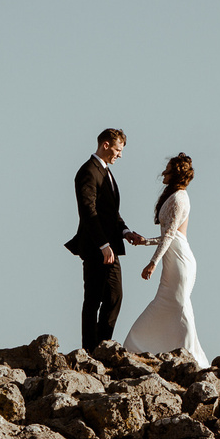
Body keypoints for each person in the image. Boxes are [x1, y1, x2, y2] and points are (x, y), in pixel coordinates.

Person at [64, 128, 148, 351]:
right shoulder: (88, 172)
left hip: (108, 246)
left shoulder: (106, 172)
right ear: (106, 145)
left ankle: (102, 346)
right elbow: (88, 211)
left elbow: (110, 213)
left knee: (114, 296)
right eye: (118, 150)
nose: (120, 155)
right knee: (93, 298)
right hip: (95, 247)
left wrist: (126, 232)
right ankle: (91, 350)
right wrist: (103, 245)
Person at [124, 152, 203, 368]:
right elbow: (168, 236)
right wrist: (144, 242)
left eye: (167, 169)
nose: (163, 173)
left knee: (178, 304)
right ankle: (141, 345)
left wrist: (153, 262)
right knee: (168, 303)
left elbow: (170, 236)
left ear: (176, 174)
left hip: (179, 260)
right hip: (173, 256)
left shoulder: (178, 198)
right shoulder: (175, 196)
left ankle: (189, 357)